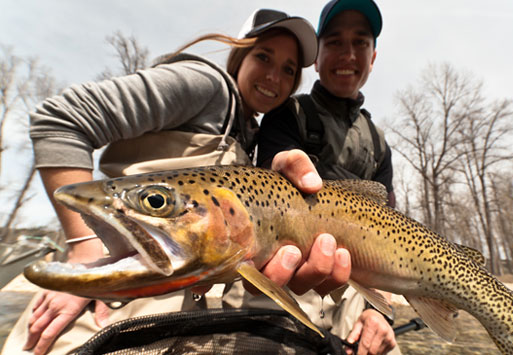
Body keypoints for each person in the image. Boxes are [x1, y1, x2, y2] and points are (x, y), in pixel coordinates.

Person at [2, 9, 351, 355]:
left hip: (167, 299)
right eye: (264, 56)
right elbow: (60, 119)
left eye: (289, 70)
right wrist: (85, 251)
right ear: (239, 56)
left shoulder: (249, 133)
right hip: (114, 294)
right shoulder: (206, 84)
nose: (275, 76)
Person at [257, 0, 399, 354]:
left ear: (373, 56)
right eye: (334, 41)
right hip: (287, 274)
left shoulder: (379, 144)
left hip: (357, 284)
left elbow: (393, 234)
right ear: (316, 57)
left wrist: (379, 313)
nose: (348, 54)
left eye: (360, 42)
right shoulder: (287, 113)